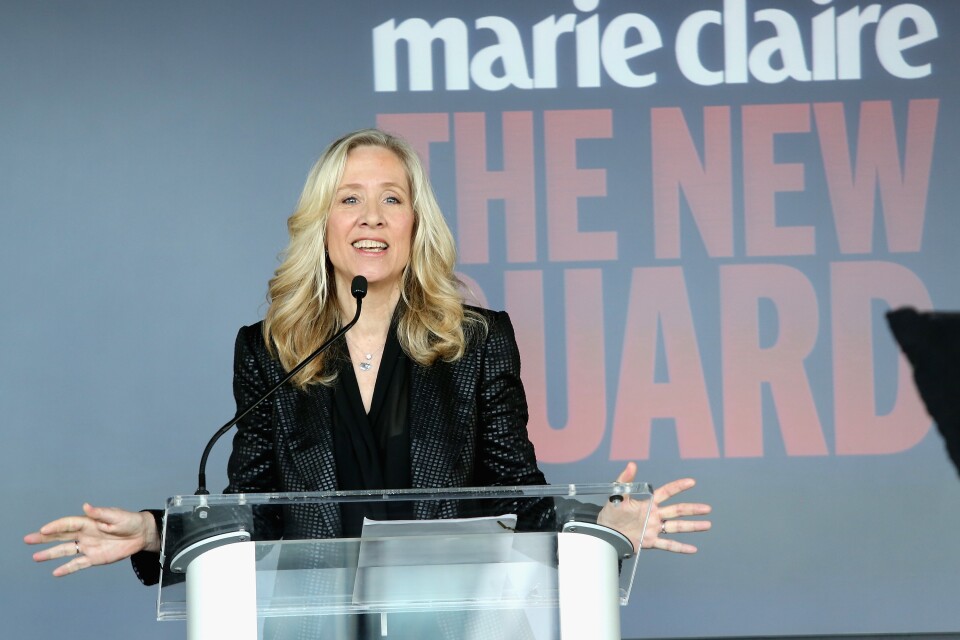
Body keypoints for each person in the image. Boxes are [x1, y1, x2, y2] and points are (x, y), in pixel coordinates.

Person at [25, 129, 711, 603]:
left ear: (417, 222)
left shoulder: (479, 341)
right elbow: (253, 511)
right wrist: (153, 531)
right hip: (308, 620)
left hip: (458, 618)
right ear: (322, 224)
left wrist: (602, 523)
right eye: (349, 198)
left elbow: (515, 493)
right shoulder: (269, 348)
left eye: (392, 197)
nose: (371, 217)